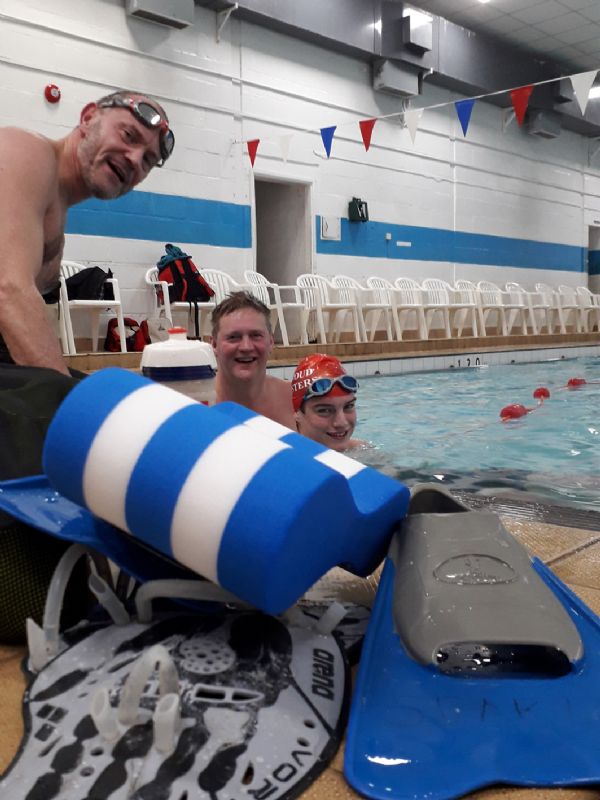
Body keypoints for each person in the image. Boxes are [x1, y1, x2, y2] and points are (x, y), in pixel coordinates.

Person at [0, 89, 174, 373]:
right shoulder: (25, 152)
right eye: (129, 136)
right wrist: (66, 400)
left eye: (147, 161)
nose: (134, 159)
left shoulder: (56, 210)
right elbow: (8, 289)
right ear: (88, 117)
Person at [211, 291, 295, 428]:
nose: (246, 347)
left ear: (271, 342)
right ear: (214, 345)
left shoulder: (294, 400)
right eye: (233, 337)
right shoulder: (198, 403)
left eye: (256, 335)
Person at [291, 353, 363, 452]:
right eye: (324, 410)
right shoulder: (283, 461)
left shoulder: (363, 451)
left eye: (348, 406)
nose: (341, 423)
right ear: (297, 413)